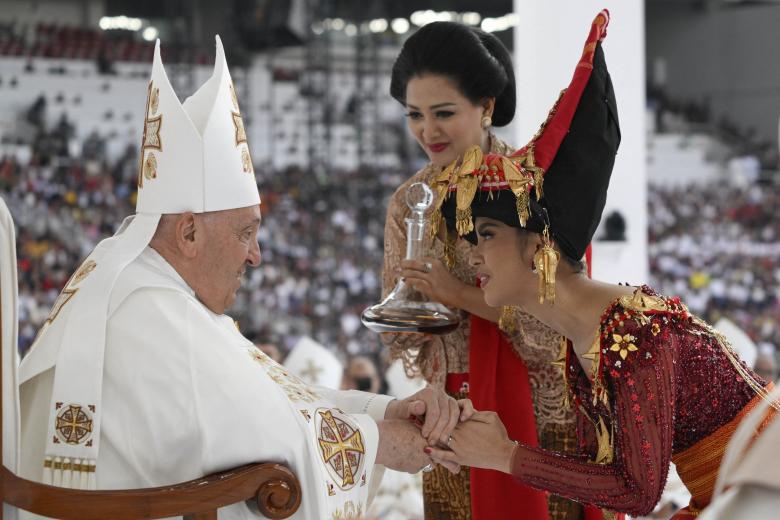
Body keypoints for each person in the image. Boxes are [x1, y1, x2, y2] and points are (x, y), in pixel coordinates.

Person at [15, 37, 462, 520]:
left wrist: (380, 412)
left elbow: (269, 397)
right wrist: (379, 442)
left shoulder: (141, 284)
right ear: (188, 232)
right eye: (246, 232)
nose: (256, 255)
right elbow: (258, 427)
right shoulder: (147, 306)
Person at [426, 10, 778, 519]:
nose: (473, 254)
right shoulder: (591, 334)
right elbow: (610, 471)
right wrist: (479, 441)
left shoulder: (634, 335)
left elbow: (637, 491)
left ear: (538, 246)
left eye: (486, 233)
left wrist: (504, 455)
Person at [384, 18, 582, 520]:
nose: (427, 131)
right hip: (449, 417)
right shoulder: (408, 202)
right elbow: (399, 334)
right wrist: (407, 313)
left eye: (443, 113)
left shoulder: (533, 189)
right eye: (414, 115)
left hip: (540, 414)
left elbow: (554, 327)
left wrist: (455, 293)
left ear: (487, 106)